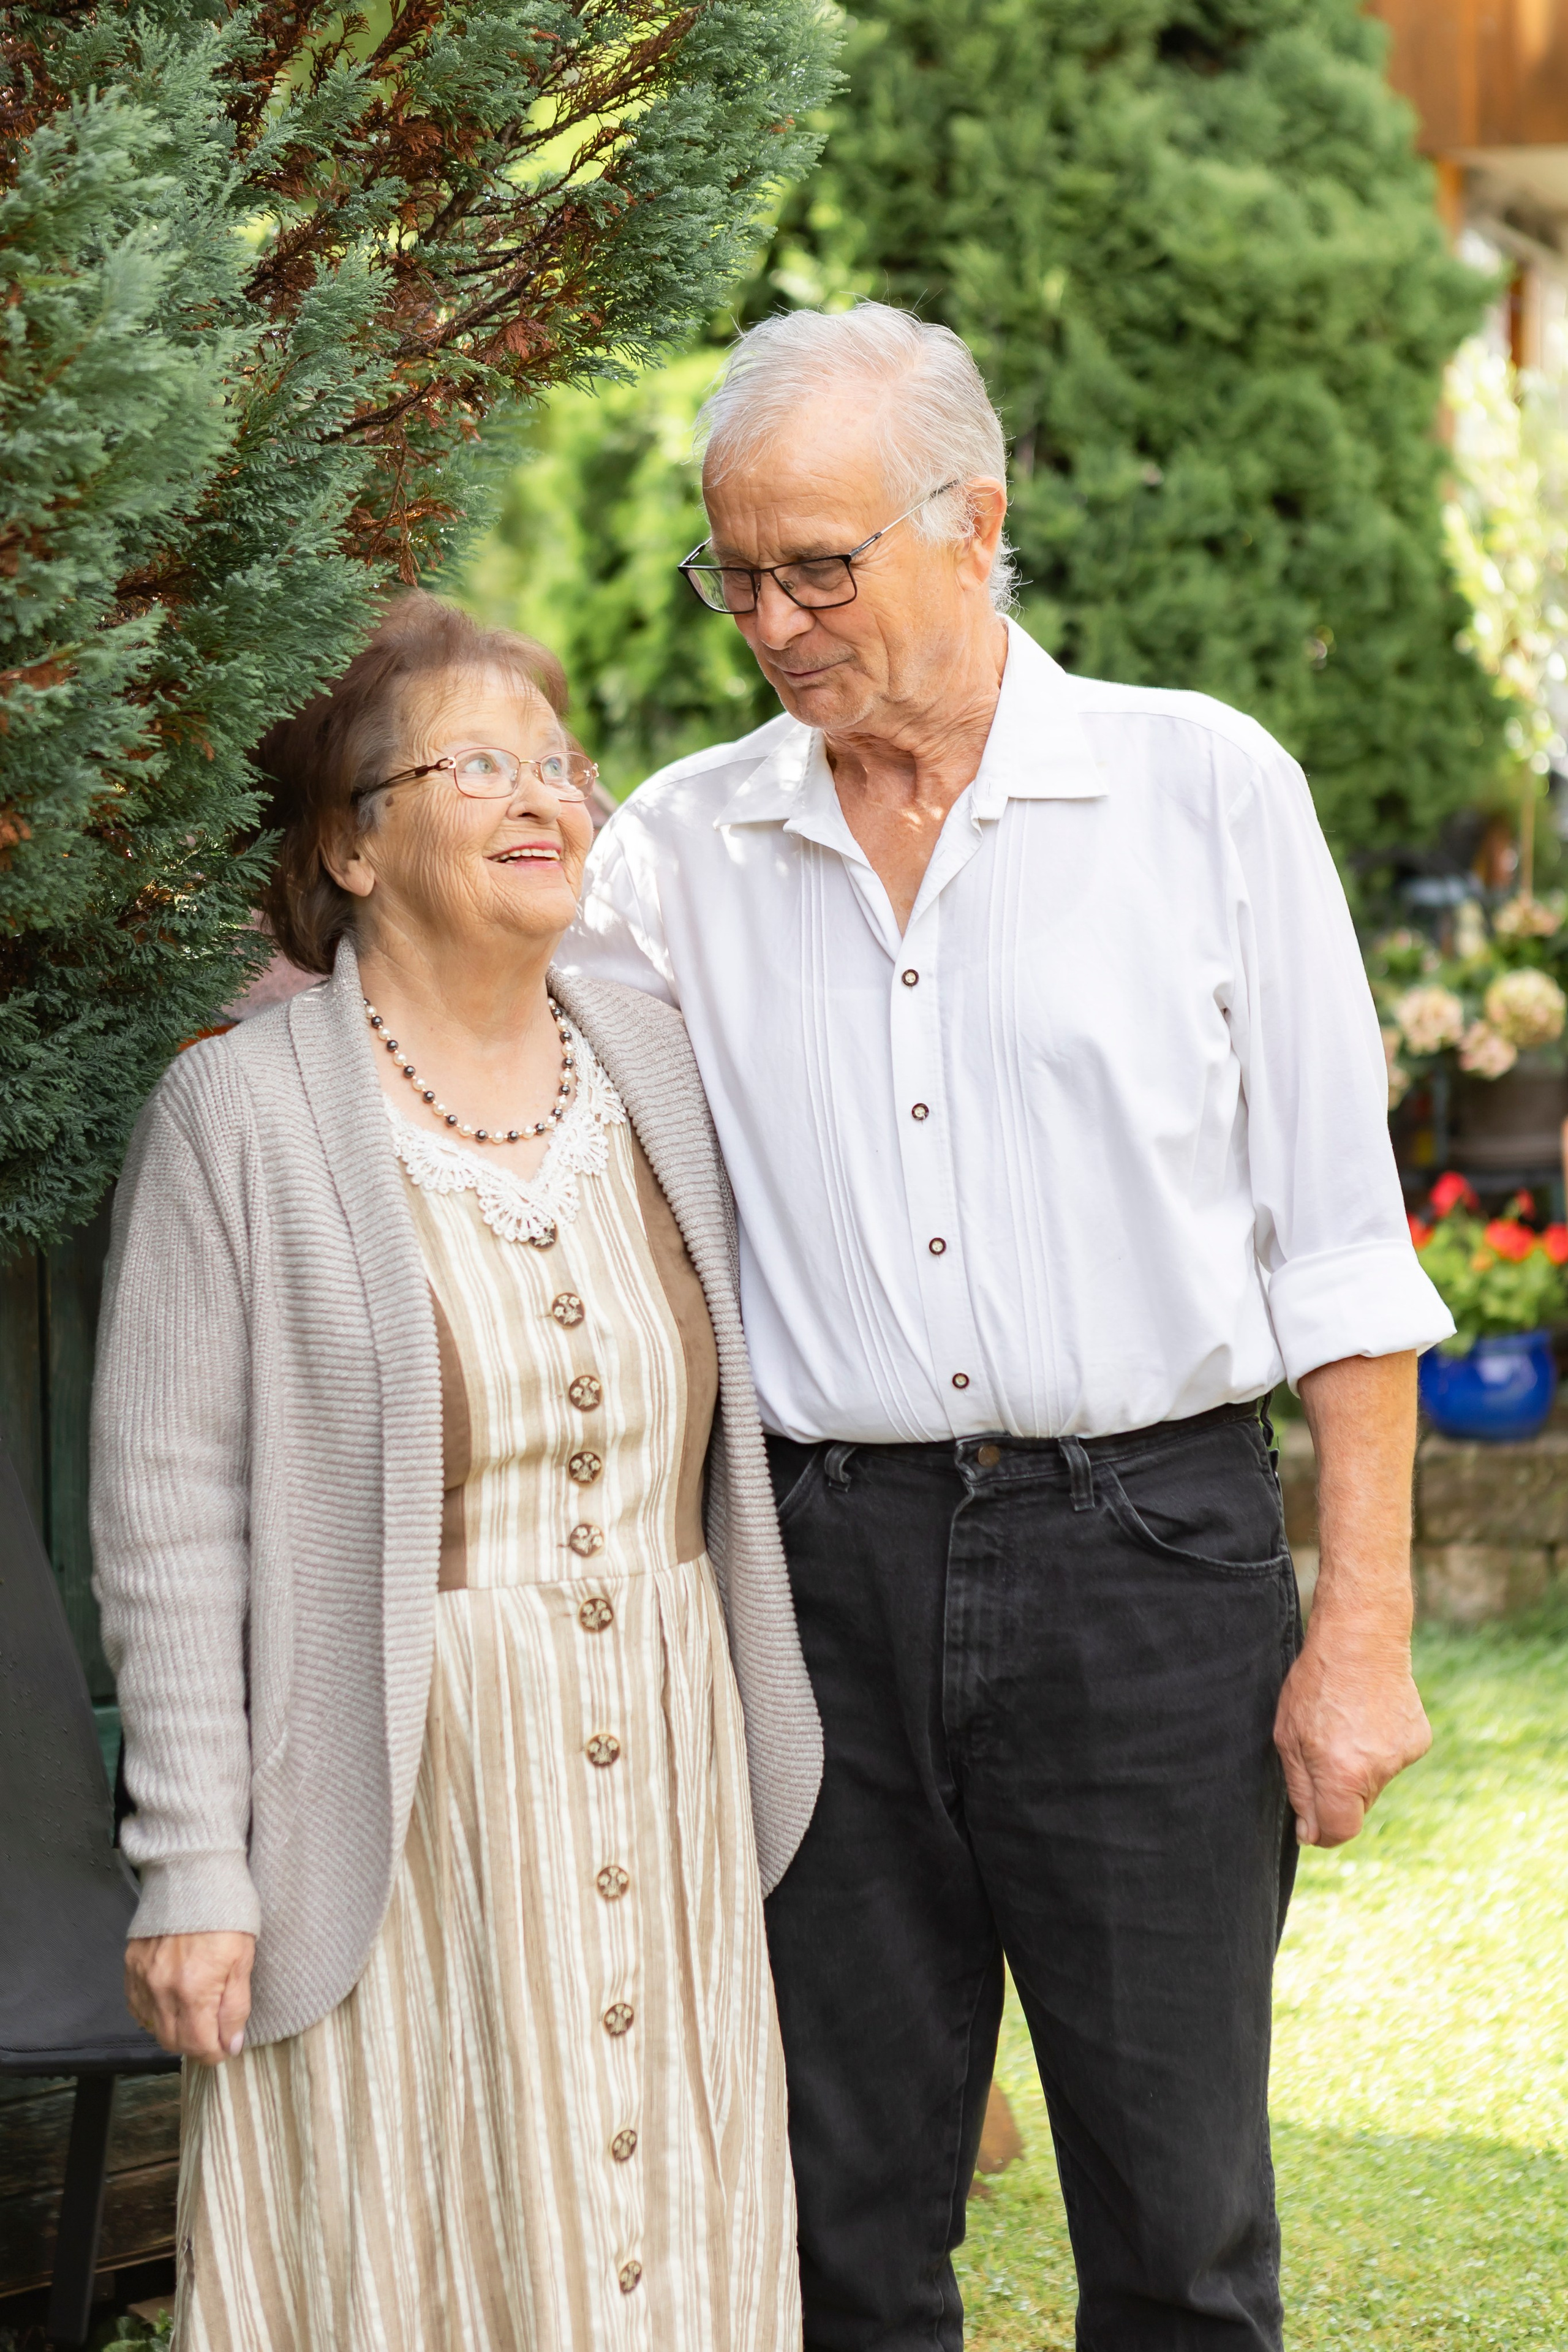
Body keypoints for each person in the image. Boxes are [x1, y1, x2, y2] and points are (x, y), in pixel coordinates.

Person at [560, 302, 1453, 2351]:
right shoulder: (683, 851)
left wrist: (1367, 1632)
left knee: (1178, 2223)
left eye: (820, 566)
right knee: (843, 2216)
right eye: (738, 573)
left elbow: (1338, 1245)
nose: (773, 622)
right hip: (823, 1579)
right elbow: (491, 1035)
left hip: (1149, 1567)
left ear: (975, 526)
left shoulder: (1204, 789)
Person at [91, 592, 820, 2352]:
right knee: (412, 2235)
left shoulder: (651, 1068)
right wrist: (192, 1861)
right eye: (478, 765)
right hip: (394, 1790)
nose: (546, 799)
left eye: (562, 767)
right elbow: (167, 1515)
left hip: (664, 1759)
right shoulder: (241, 1112)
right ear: (352, 842)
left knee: (664, 2225)